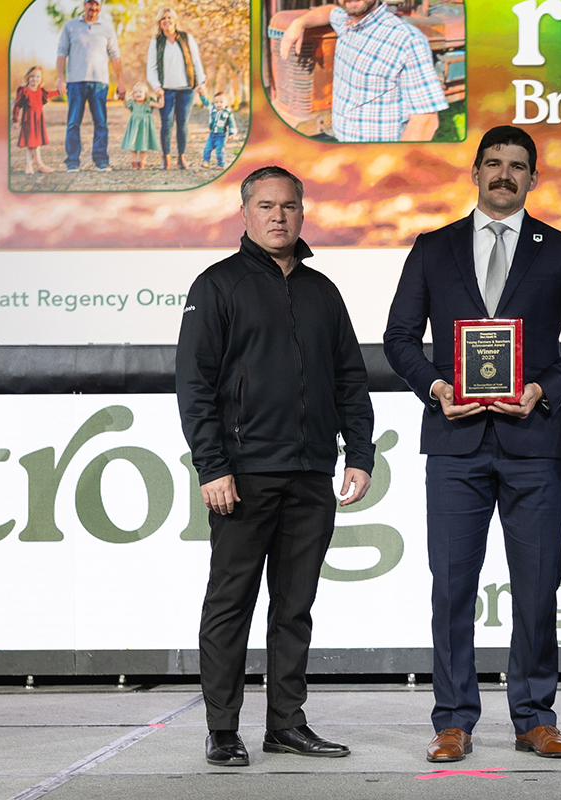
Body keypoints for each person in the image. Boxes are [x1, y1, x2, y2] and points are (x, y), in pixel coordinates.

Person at [384, 126, 561, 762]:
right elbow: (399, 338)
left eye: (517, 166)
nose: (504, 175)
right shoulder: (433, 248)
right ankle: (453, 719)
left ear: (533, 178)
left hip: (533, 441)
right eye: (493, 164)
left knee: (537, 584)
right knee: (452, 584)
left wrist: (543, 388)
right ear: (475, 172)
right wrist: (434, 385)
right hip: (455, 442)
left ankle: (535, 717)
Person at [176, 166, 375, 767]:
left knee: (294, 606)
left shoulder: (323, 292)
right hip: (241, 475)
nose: (278, 216)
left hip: (311, 474)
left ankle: (286, 723)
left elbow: (349, 380)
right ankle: (222, 729)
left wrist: (359, 454)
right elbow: (194, 386)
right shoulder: (216, 286)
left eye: (288, 206)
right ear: (245, 212)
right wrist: (212, 467)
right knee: (230, 603)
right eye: (266, 205)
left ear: (302, 212)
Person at [279, 0, 448, 142]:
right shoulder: (345, 22)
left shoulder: (407, 40)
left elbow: (426, 120)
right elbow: (330, 11)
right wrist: (299, 22)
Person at [56, 0, 123, 172]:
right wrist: (60, 78)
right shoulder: (70, 26)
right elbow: (61, 52)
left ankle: (101, 160)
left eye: (97, 5)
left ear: (100, 7)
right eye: (90, 4)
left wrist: (120, 80)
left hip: (99, 82)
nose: (93, 8)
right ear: (84, 4)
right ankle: (72, 161)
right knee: (73, 123)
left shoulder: (107, 28)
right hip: (75, 82)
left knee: (101, 123)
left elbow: (115, 55)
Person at [146, 6, 207, 169]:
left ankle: (182, 157)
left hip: (186, 89)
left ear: (175, 20)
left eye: (169, 18)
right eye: (163, 19)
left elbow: (196, 62)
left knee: (183, 124)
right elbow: (151, 68)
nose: (166, 21)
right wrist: (157, 87)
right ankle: (166, 158)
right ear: (159, 22)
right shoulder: (156, 42)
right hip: (165, 90)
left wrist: (201, 82)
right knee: (166, 124)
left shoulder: (187, 38)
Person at [12, 66, 58, 174]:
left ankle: (33, 164)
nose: (35, 79)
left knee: (35, 143)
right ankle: (35, 165)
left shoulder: (41, 91)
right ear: (28, 77)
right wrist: (15, 120)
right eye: (32, 76)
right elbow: (17, 106)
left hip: (38, 120)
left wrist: (61, 91)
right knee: (31, 143)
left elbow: (50, 94)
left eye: (38, 77)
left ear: (41, 79)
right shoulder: (24, 91)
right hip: (28, 120)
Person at [120, 81, 163, 170]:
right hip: (134, 128)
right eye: (135, 92)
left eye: (140, 92)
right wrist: (123, 98)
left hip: (144, 128)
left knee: (143, 146)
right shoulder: (132, 103)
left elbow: (160, 105)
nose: (138, 94)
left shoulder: (148, 103)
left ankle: (141, 162)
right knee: (133, 145)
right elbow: (125, 105)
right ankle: (134, 162)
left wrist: (161, 97)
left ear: (146, 94)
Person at [199, 91, 238, 169]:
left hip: (221, 136)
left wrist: (232, 133)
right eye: (216, 102)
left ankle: (221, 164)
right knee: (207, 148)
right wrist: (201, 94)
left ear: (226, 103)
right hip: (212, 134)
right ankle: (206, 161)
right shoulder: (212, 109)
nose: (218, 104)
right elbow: (206, 102)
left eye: (221, 102)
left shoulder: (227, 113)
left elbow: (231, 124)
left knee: (219, 151)